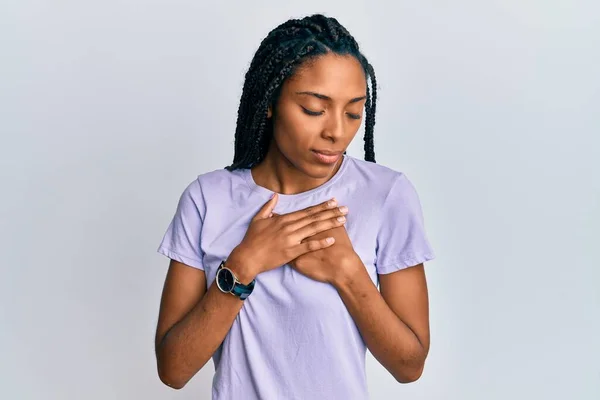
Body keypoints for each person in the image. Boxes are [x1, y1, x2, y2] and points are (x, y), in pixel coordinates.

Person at [154, 14, 435, 400]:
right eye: (314, 110)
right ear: (270, 102)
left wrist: (349, 273)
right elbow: (173, 369)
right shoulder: (208, 199)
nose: (337, 131)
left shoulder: (386, 196)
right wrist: (242, 266)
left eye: (354, 112)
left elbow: (410, 366)